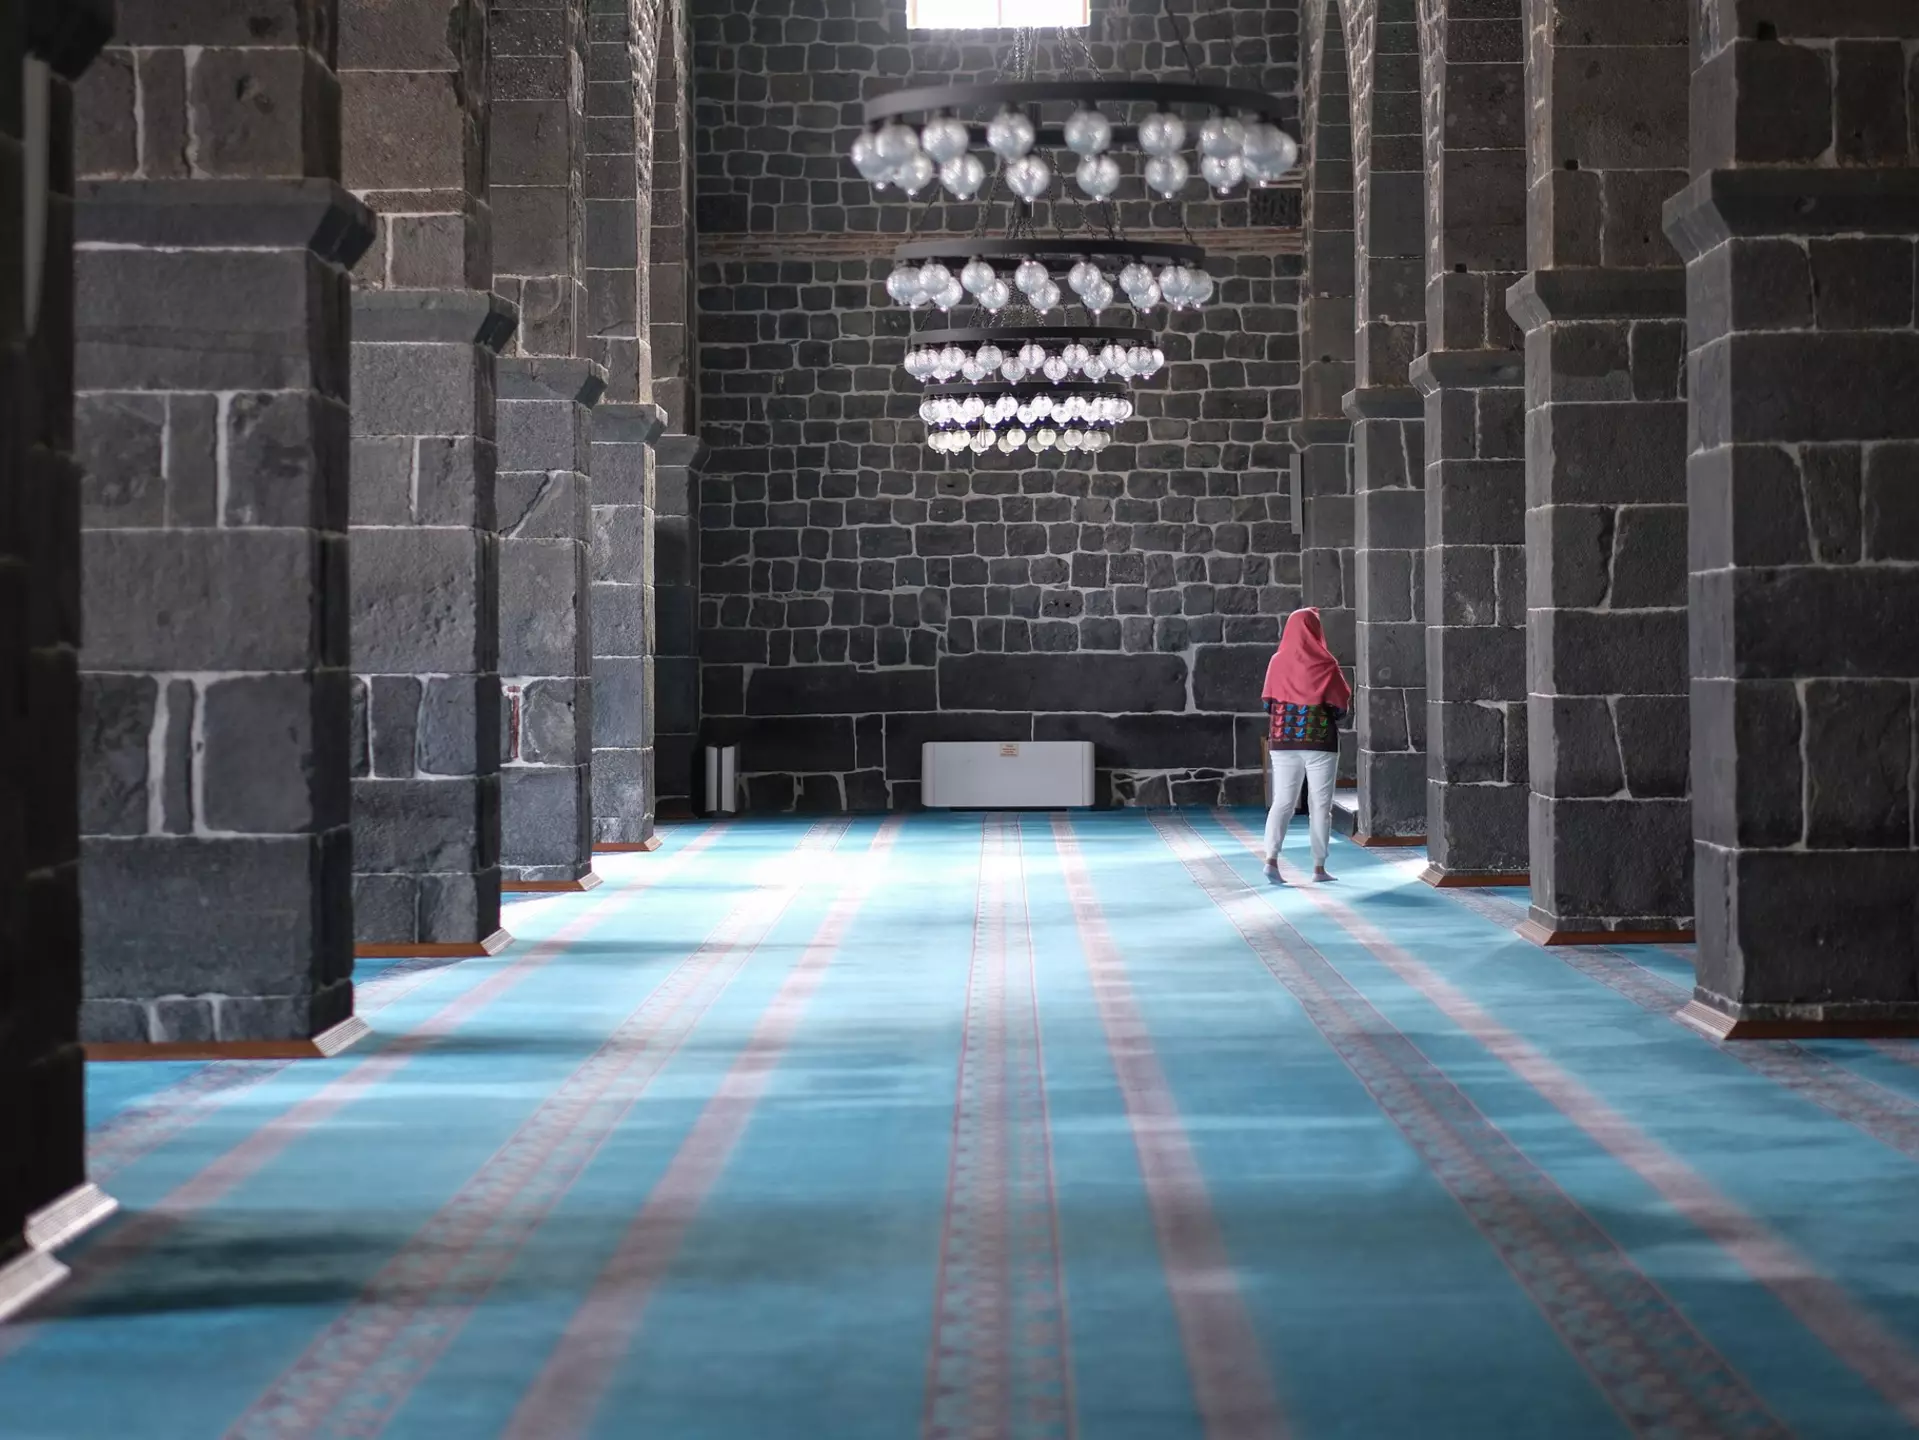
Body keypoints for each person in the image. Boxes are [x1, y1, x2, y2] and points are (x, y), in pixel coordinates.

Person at [1260, 607, 1350, 884]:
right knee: (1320, 806)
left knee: (1282, 802)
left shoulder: (1276, 661)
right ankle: (1318, 869)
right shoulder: (1327, 664)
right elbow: (1340, 706)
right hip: (1320, 743)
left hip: (1283, 741)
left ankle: (1271, 860)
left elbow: (1267, 703)